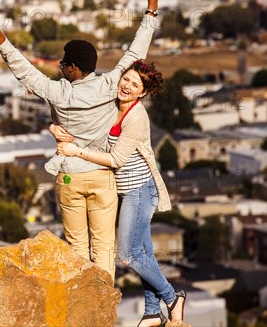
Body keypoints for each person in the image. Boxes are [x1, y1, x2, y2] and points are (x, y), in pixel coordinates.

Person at [0, 0, 161, 283]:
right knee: (104, 247)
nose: (60, 65)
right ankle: (103, 301)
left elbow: (23, 70)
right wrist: (151, 8)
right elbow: (136, 50)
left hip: (69, 176)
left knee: (77, 246)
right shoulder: (109, 86)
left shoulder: (57, 93)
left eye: (64, 61)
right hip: (102, 176)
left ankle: (83, 298)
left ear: (74, 68)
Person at [53, 60, 186, 326]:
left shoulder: (136, 117)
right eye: (126, 78)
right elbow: (75, 119)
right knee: (145, 255)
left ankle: (173, 297)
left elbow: (115, 159)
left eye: (135, 85)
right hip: (125, 193)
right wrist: (53, 127)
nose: (127, 86)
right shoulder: (111, 103)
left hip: (139, 192)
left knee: (129, 255)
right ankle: (151, 311)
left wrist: (75, 152)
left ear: (142, 93)